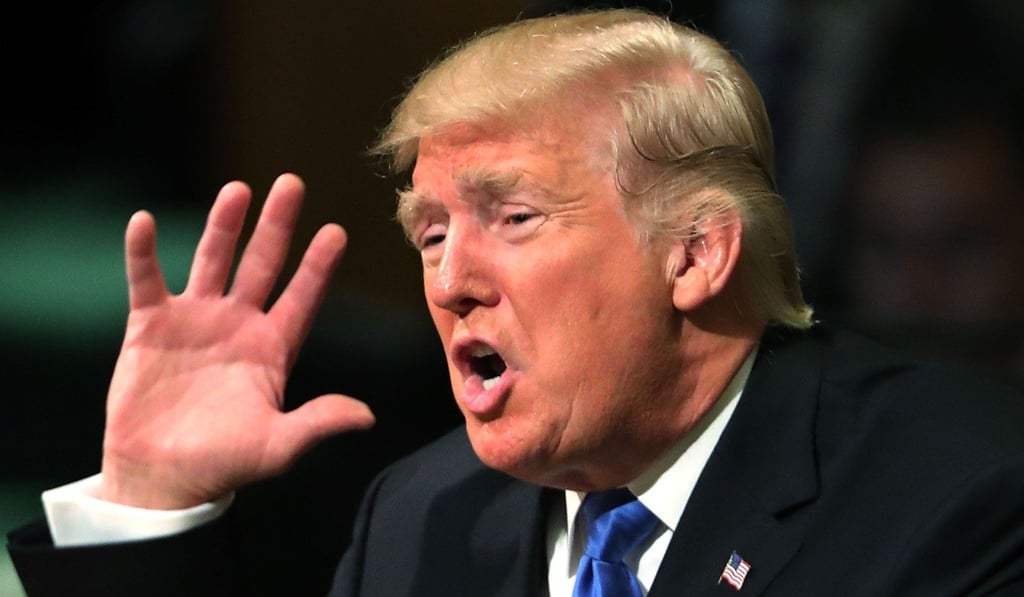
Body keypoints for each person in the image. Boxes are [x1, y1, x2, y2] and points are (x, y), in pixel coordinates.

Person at [8, 8, 1024, 596]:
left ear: (697, 251)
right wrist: (151, 503)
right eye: (432, 234)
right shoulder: (421, 515)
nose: (449, 283)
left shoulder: (964, 493)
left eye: (513, 218)